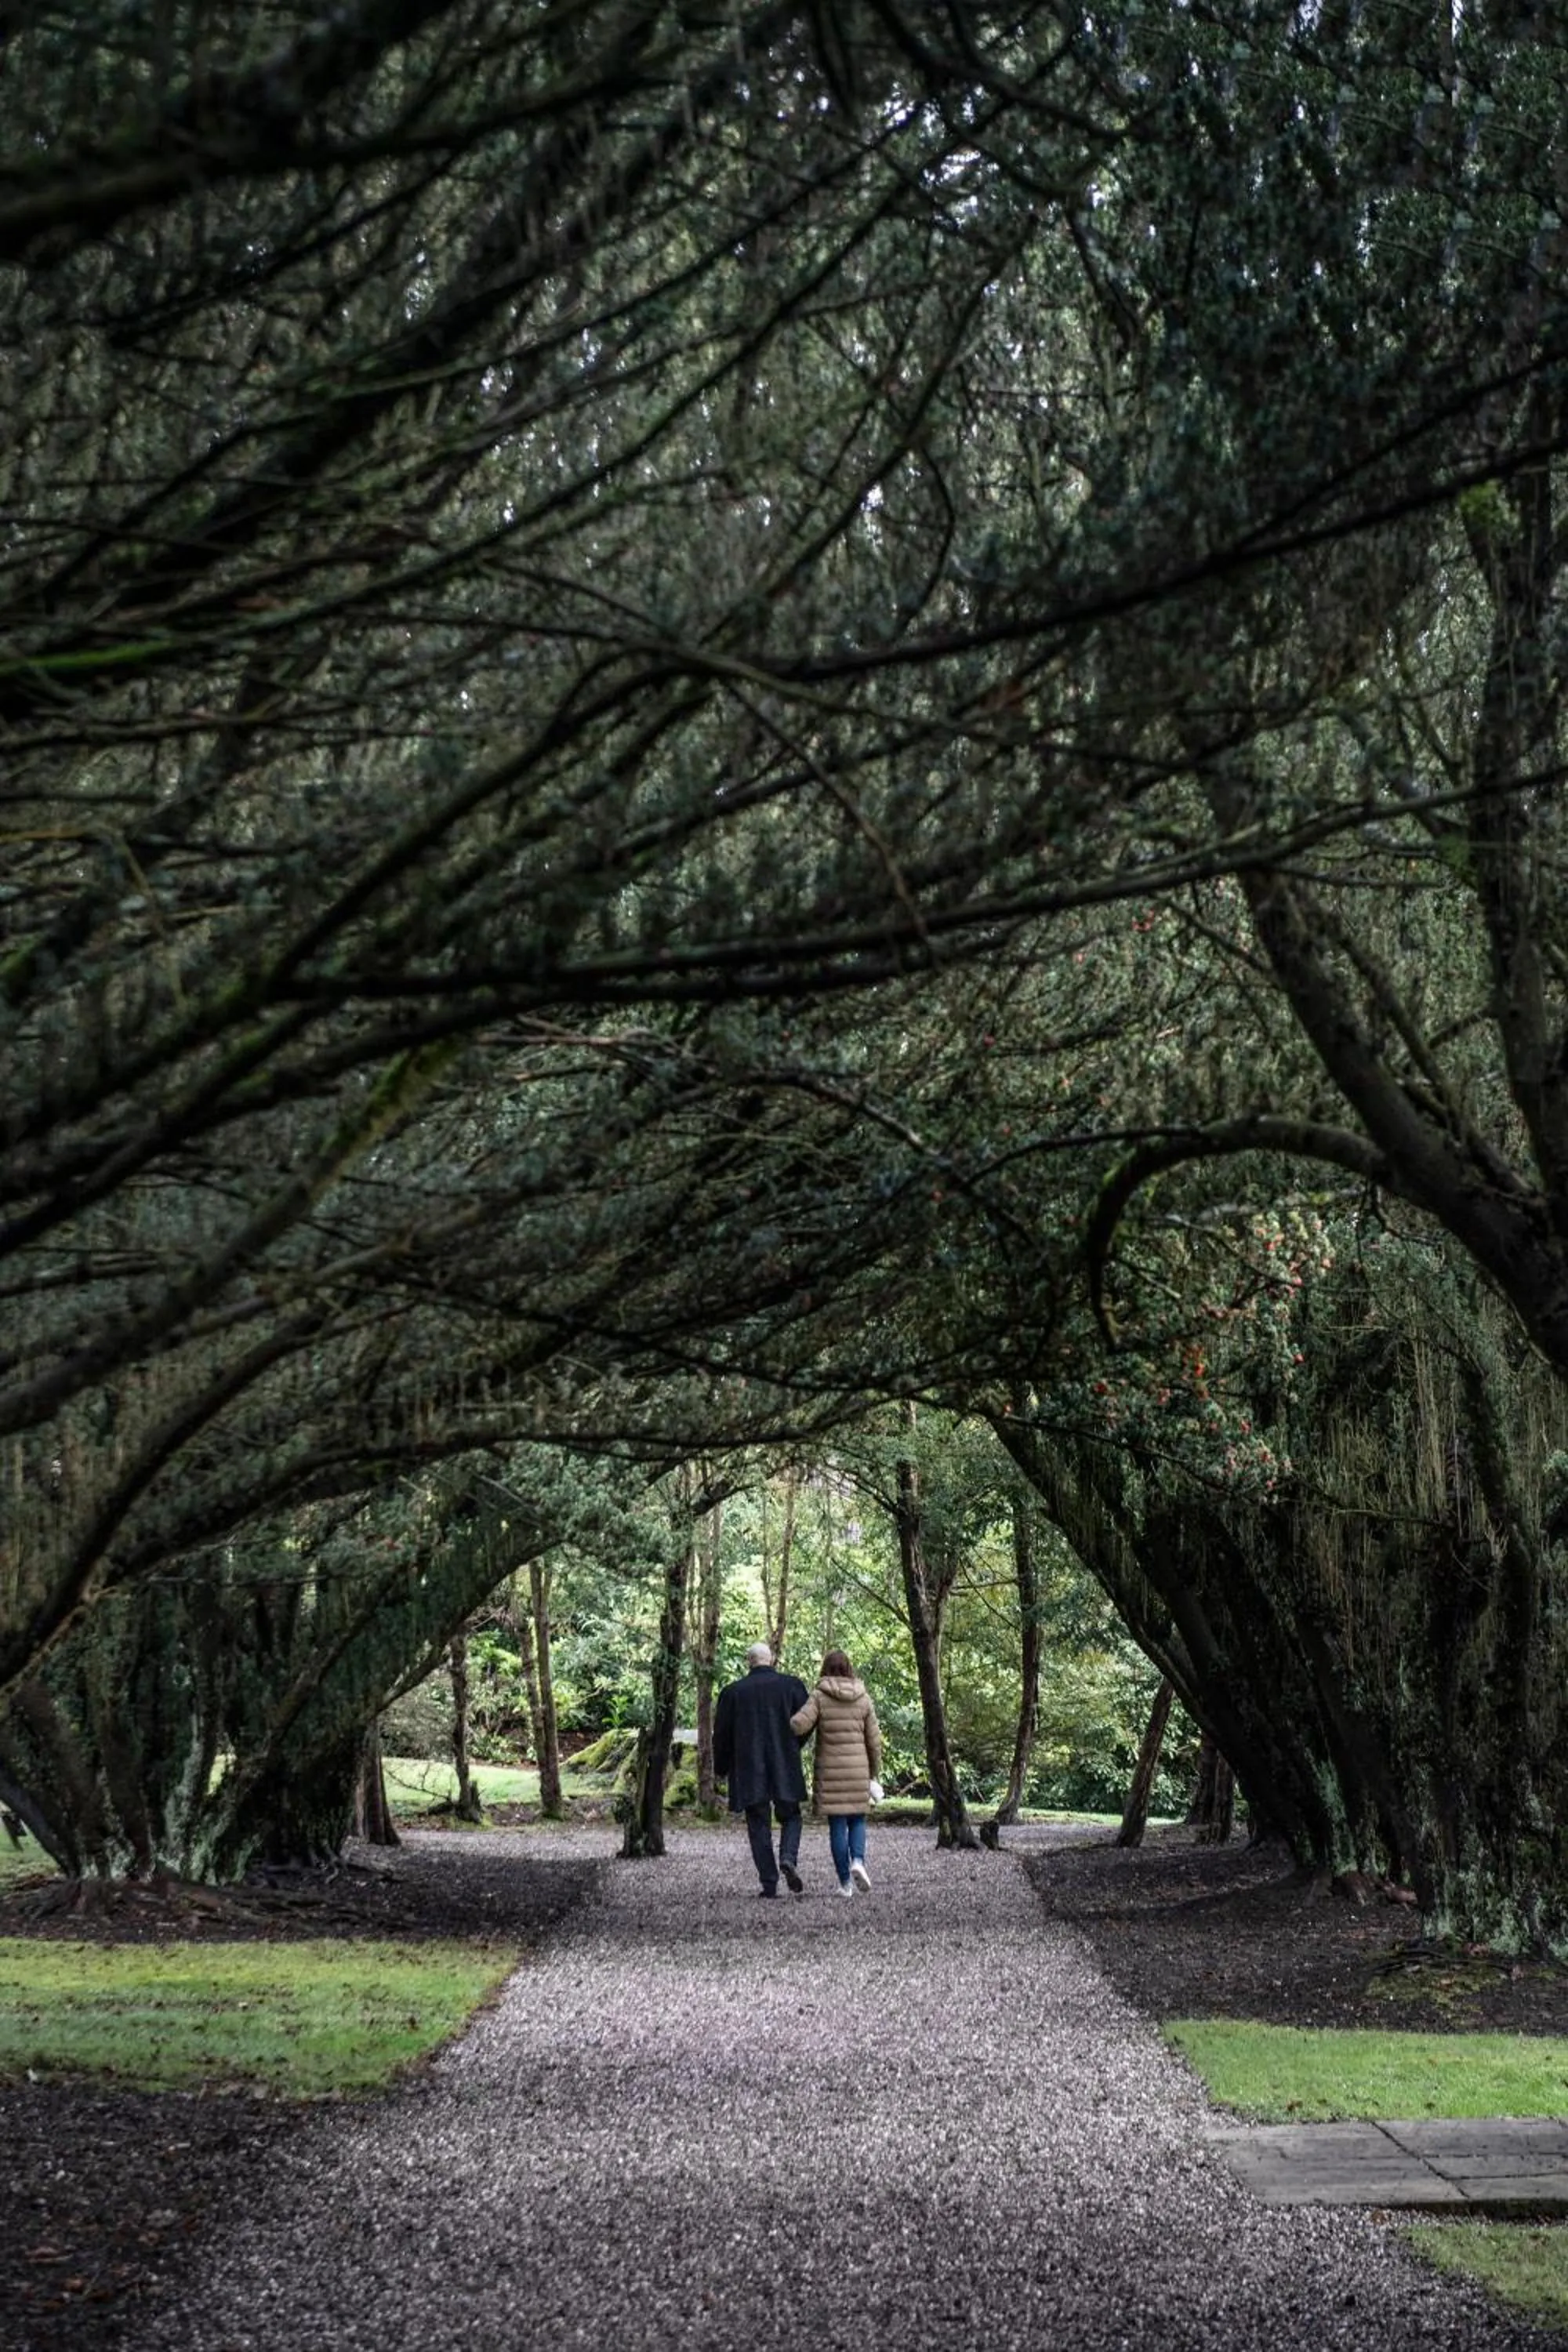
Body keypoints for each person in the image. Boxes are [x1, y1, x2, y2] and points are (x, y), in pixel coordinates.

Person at [713, 1640, 810, 1897]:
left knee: (757, 1823)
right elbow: (807, 1723)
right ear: (772, 1659)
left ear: (749, 1662)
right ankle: (788, 1857)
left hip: (748, 1767)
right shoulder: (792, 1687)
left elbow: (721, 1735)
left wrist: (721, 1767)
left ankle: (769, 1883)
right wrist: (793, 1746)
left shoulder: (732, 1693)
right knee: (791, 1816)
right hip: (784, 1762)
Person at [790, 1648, 883, 1898]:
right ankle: (859, 1861)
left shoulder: (820, 1696)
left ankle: (845, 1883)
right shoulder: (863, 1698)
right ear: (849, 1668)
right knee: (858, 1818)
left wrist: (781, 1719)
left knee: (837, 1824)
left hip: (830, 1772)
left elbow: (800, 1725)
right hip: (858, 1770)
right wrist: (874, 1772)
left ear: (826, 1669)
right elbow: (874, 1741)